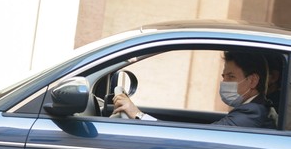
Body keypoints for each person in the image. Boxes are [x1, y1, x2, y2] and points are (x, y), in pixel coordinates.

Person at [112, 50, 275, 129]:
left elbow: (198, 138)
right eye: (223, 76)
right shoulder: (250, 109)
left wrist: (138, 115)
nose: (223, 82)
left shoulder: (252, 114)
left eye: (231, 76)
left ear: (252, 80)